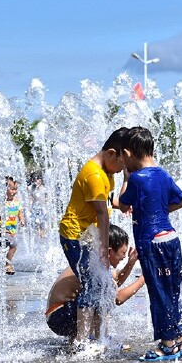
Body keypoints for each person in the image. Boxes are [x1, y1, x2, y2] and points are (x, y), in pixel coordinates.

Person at [118, 126, 182, 361]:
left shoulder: (137, 179)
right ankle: (179, 339)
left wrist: (126, 178)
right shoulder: (163, 174)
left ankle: (167, 345)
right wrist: (159, 211)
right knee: (172, 289)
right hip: (171, 239)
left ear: (128, 154)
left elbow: (122, 203)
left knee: (158, 292)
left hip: (152, 243)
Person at [58, 127, 129, 349]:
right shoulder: (94, 175)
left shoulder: (107, 172)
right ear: (111, 153)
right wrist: (104, 251)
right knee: (91, 284)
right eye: (121, 165)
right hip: (75, 236)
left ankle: (99, 337)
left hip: (89, 236)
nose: (119, 171)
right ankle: (82, 342)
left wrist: (126, 175)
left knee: (100, 284)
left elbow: (111, 202)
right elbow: (101, 214)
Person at [46, 224, 145, 341]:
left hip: (58, 314)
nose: (124, 257)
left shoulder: (94, 261)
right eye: (123, 252)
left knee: (100, 293)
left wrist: (131, 263)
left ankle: (89, 338)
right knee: (103, 297)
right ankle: (92, 340)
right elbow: (117, 298)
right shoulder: (93, 268)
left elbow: (115, 281)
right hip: (59, 318)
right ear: (109, 252)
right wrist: (145, 278)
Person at [1, 177, 26, 275]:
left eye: (16, 189)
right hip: (3, 229)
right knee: (13, 245)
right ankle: (7, 265)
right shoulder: (1, 201)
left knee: (5, 247)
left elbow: (19, 212)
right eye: (12, 189)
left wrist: (22, 220)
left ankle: (3, 264)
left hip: (12, 229)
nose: (14, 191)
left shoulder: (16, 201)